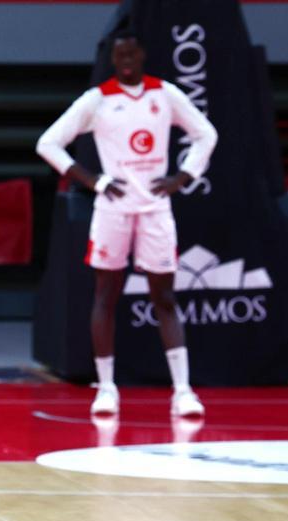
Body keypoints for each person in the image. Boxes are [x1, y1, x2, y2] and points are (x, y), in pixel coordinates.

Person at [36, 28, 217, 418]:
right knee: (105, 296)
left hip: (154, 207)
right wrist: (94, 181)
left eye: (133, 54)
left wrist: (181, 178)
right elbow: (48, 142)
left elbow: (206, 133)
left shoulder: (164, 93)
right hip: (112, 209)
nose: (128, 61)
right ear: (113, 60)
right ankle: (106, 389)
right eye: (121, 56)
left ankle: (183, 391)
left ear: (143, 55)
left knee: (164, 298)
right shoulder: (98, 100)